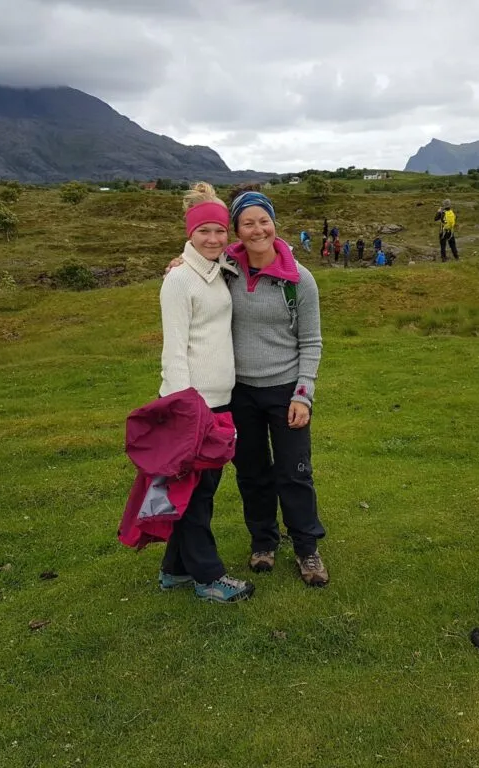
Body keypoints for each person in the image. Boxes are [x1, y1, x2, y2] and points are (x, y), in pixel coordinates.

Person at [224, 190, 329, 587]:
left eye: (263, 221)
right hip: (239, 393)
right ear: (237, 230)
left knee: (294, 473)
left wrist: (304, 394)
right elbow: (196, 264)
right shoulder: (226, 270)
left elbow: (311, 342)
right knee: (251, 472)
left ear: (274, 224)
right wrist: (179, 262)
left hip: (286, 391)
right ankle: (263, 541)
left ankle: (307, 548)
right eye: (248, 223)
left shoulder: (299, 280)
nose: (258, 230)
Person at [156, 183, 254, 603]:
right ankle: (208, 577)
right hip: (193, 404)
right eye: (203, 232)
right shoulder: (179, 279)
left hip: (219, 401)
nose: (213, 239)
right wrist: (184, 407)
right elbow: (174, 349)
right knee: (196, 494)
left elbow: (266, 248)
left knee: (201, 488)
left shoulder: (218, 269)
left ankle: (174, 570)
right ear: (189, 233)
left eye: (219, 231)